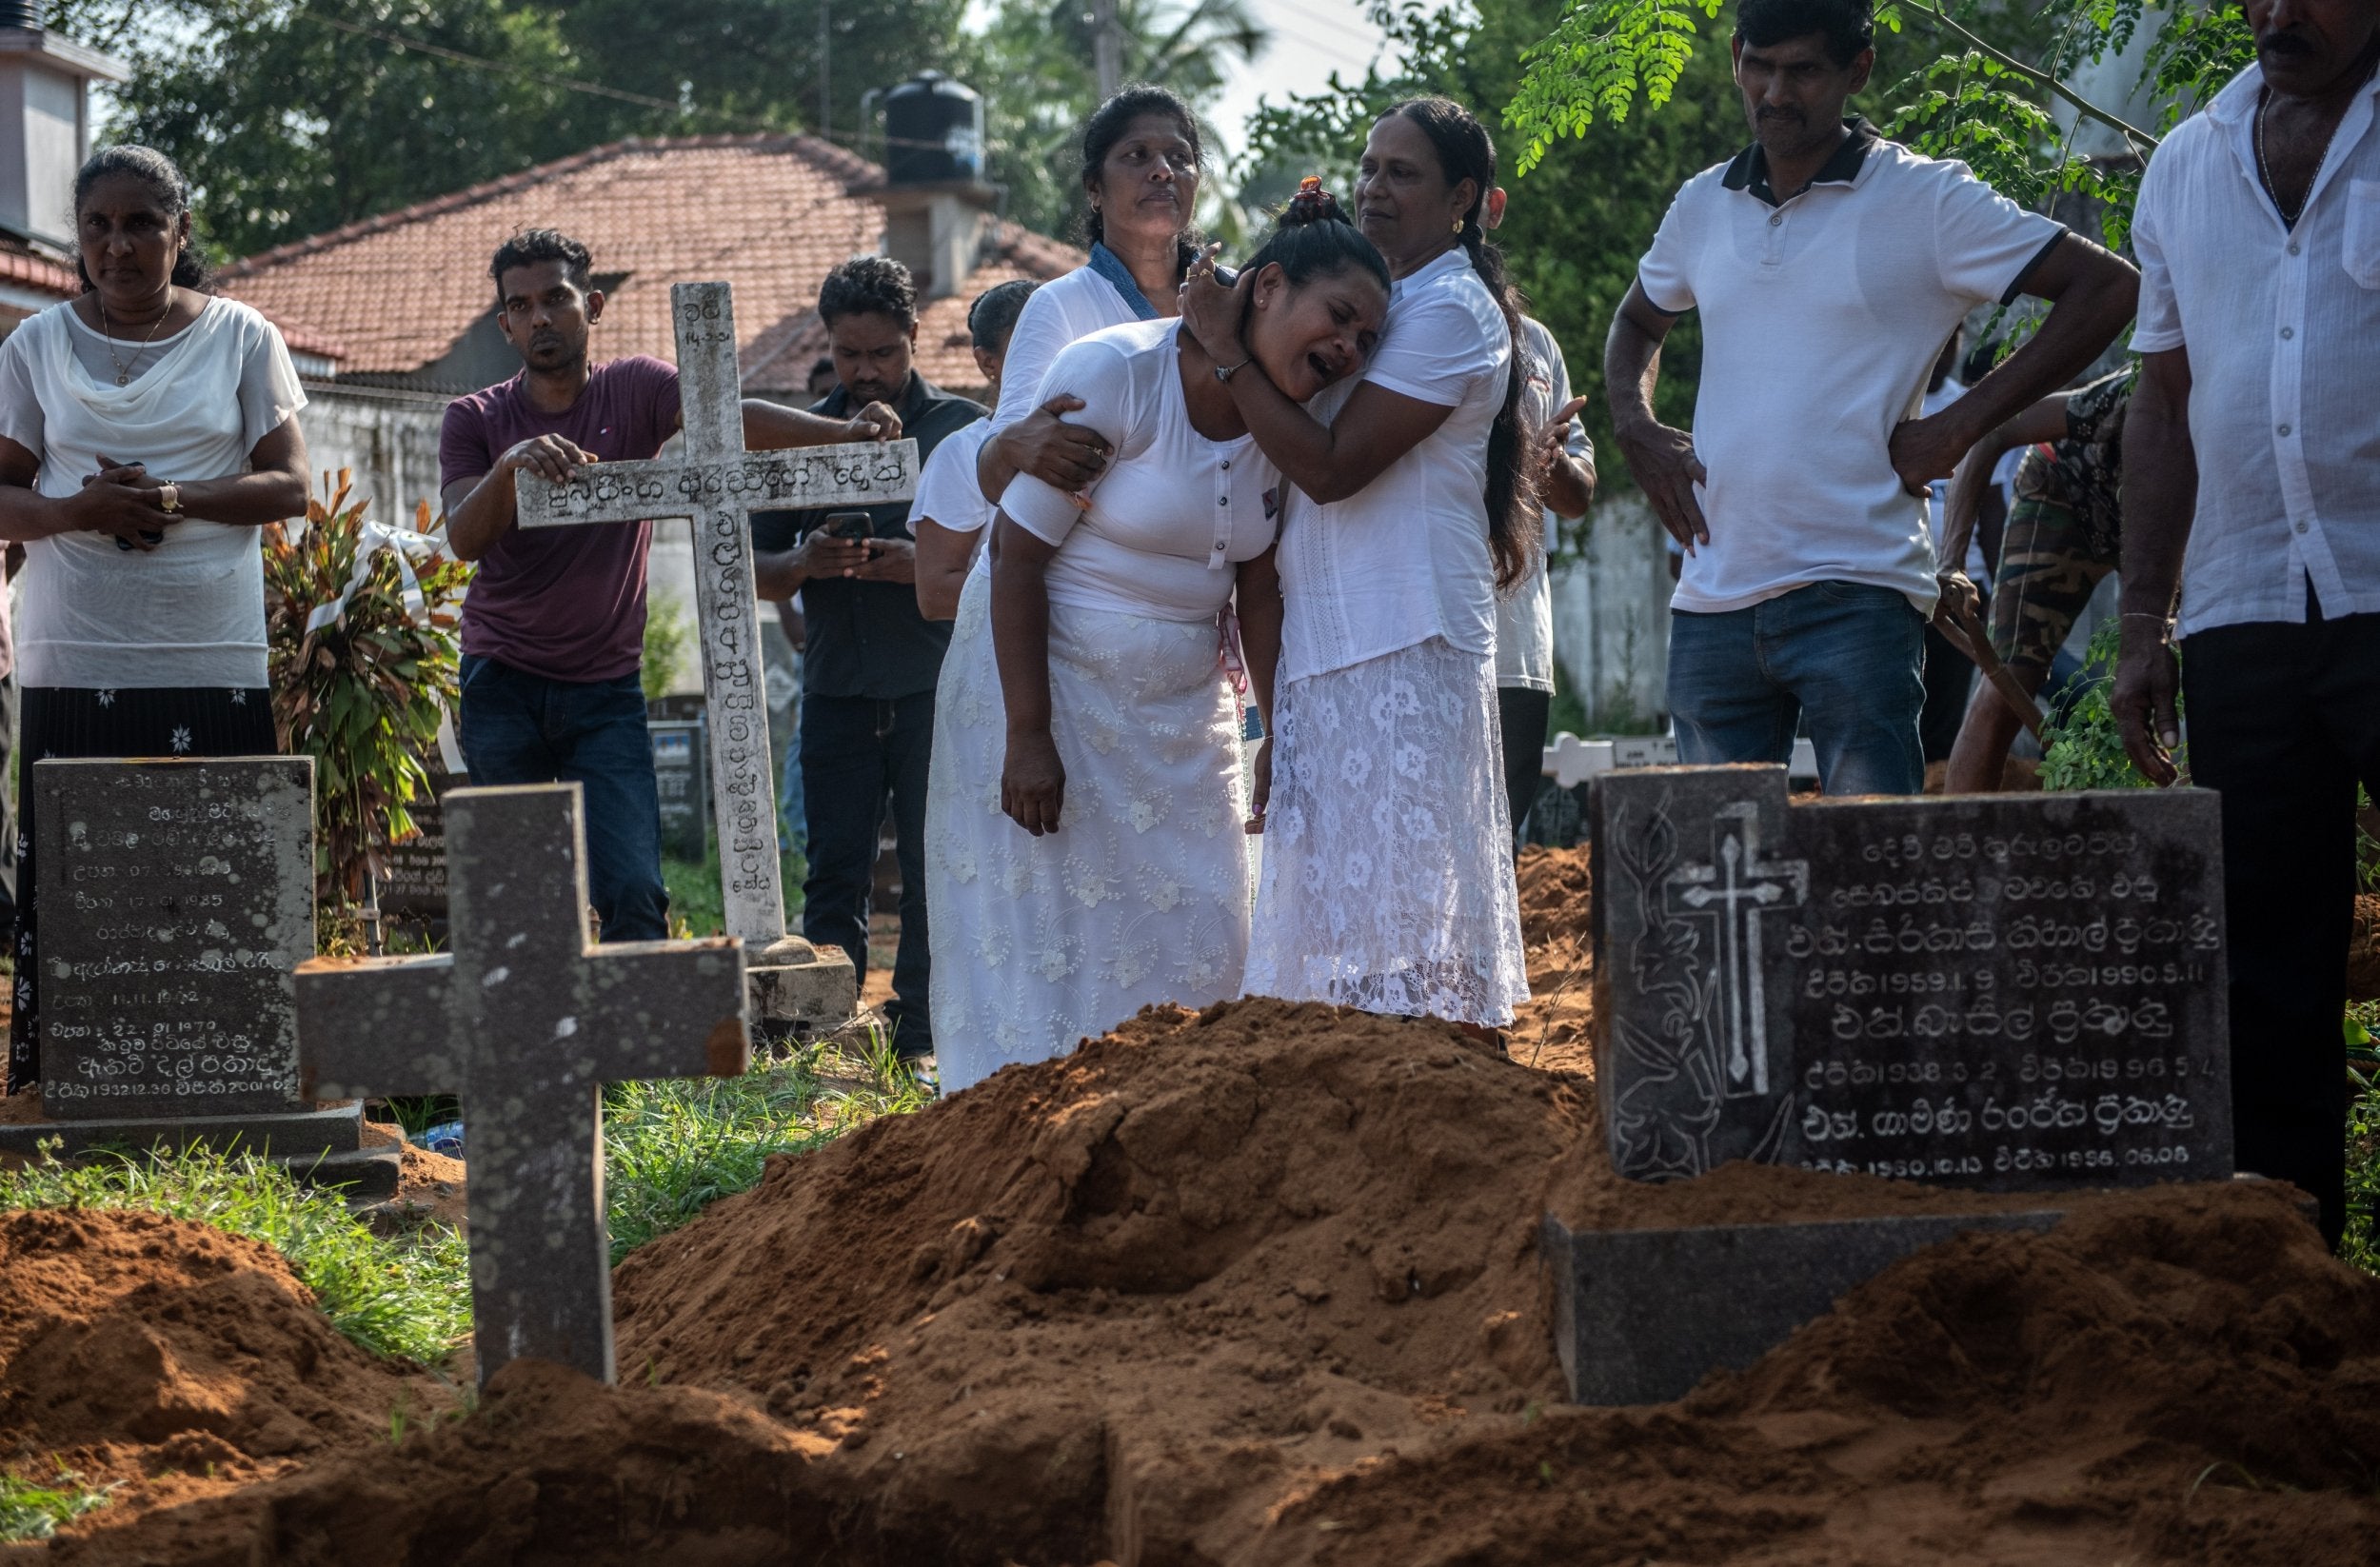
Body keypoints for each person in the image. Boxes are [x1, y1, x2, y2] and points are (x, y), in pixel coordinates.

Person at [1603, 0, 2138, 795]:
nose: (1775, 93)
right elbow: (1638, 321)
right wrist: (1635, 424)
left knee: (1873, 881)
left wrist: (1955, 430)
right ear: (1734, 58)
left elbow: (2105, 289)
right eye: (1759, 65)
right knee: (1716, 885)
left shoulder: (1924, 200)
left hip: (1857, 593)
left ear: (1858, 70)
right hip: (1712, 596)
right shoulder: (1702, 203)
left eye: (1803, 71)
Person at [927, 186, 1389, 1091]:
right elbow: (1013, 561)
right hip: (1046, 695)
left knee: (1205, 939)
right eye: (1339, 317)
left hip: (1182, 719)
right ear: (1266, 290)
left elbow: (1257, 583)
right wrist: (1028, 735)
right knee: (1058, 949)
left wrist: (1275, 730)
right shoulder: (1116, 374)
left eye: (1367, 340)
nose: (1348, 350)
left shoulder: (1286, 421)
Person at [2113, 0, 2380, 1250]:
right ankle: (2300, 1271)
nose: (2283, 14)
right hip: (2243, 612)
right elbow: (2162, 405)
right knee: (2267, 966)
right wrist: (2140, 622)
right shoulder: (2185, 160)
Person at [1180, 98, 1536, 1034]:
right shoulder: (1380, 296)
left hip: (1406, 632)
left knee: (1411, 905)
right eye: (1369, 167)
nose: (1375, 187)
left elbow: (1331, 469)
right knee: (1338, 909)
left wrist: (1226, 350)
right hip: (1328, 640)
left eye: (1403, 173)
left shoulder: (1453, 308)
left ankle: (1435, 1105)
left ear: (1462, 198)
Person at [441, 228, 895, 944]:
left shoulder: (636, 388)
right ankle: (539, 1049)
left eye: (556, 299)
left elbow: (725, 422)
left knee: (634, 891)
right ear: (504, 324)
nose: (539, 318)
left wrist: (837, 435)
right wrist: (510, 468)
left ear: (591, 306)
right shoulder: (475, 419)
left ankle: (637, 1055)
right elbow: (464, 538)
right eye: (520, 306)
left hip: (604, 688)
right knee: (522, 896)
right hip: (503, 678)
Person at [0, 146, 310, 1093]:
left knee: (210, 868)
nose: (118, 245)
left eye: (141, 223)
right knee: (78, 874)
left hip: (207, 648)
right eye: (98, 225)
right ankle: (73, 1077)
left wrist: (174, 496)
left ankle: (227, 1070)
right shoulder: (33, 347)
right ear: (77, 240)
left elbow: (290, 483)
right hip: (71, 646)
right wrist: (74, 514)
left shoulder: (241, 337)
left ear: (181, 231)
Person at [751, 257, 986, 1063]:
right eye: (848, 355)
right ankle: (828, 1046)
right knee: (834, 873)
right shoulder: (802, 433)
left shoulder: (959, 427)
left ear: (915, 336)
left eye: (881, 353)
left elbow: (999, 553)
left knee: (935, 871)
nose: (864, 372)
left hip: (934, 683)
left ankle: (924, 1040)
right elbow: (755, 567)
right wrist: (809, 563)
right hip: (838, 688)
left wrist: (910, 561)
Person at [975, 85, 1208, 512]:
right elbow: (994, 477)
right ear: (1094, 188)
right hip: (1086, 574)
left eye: (1179, 158)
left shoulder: (1230, 299)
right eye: (1137, 155)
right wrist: (1013, 445)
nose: (1163, 171)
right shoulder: (1060, 305)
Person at [1939, 369, 2130, 794]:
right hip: (2063, 486)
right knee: (2009, 678)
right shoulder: (2129, 394)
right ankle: (1958, 840)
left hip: (2162, 527)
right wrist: (1951, 561)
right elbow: (1993, 430)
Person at [914, 279, 1038, 620]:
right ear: (988, 363)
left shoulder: (1112, 433)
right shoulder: (961, 455)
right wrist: (1071, 598)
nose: (1049, 359)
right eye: (1031, 348)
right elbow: (935, 593)